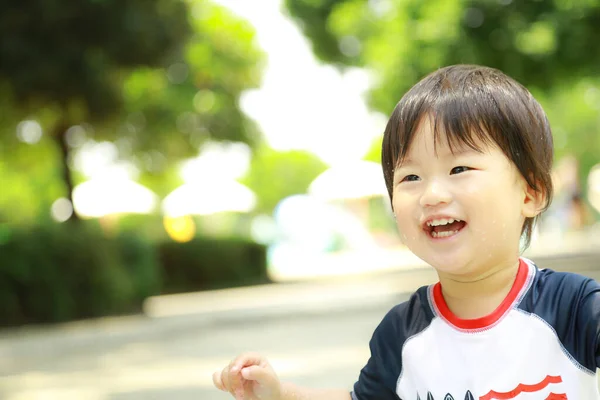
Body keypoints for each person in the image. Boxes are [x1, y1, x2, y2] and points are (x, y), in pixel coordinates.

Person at [212, 65, 600, 399]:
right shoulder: (402, 334)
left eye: (459, 169)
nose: (432, 194)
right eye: (411, 176)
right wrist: (281, 393)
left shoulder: (575, 309)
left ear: (530, 192)